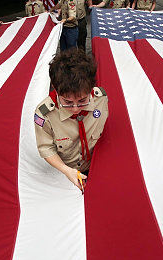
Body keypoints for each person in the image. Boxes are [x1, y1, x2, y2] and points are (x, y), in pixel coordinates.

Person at [34, 49, 108, 191]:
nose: (75, 109)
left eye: (82, 100)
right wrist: (67, 171)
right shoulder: (44, 114)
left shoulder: (101, 99)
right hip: (65, 172)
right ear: (56, 89)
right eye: (67, 102)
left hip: (96, 166)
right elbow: (46, 148)